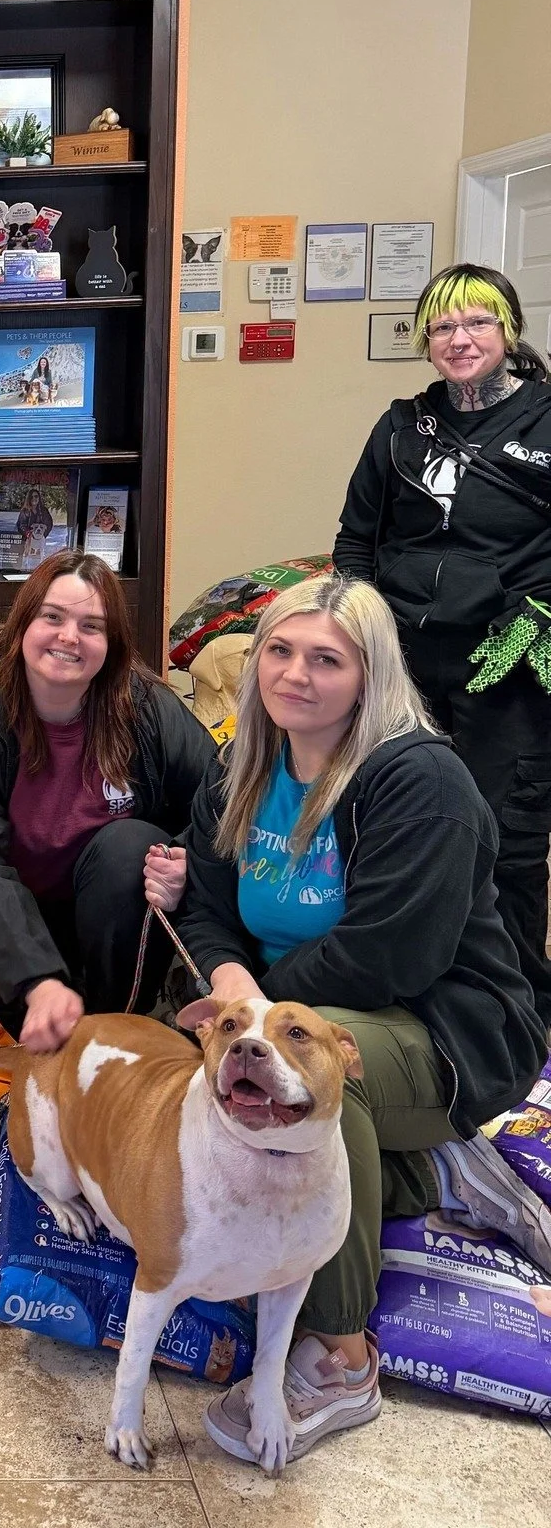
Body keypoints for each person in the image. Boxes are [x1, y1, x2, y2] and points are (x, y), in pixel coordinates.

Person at [171, 574, 549, 1464]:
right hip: (303, 1004)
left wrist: (260, 1020)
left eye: (326, 659)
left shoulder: (422, 781)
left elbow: (392, 954)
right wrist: (234, 995)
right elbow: (204, 905)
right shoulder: (243, 765)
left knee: (306, 1088)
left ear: (371, 674)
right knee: (213, 1067)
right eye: (280, 650)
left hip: (447, 1025)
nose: (296, 674)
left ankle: (342, 1358)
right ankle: (428, 1176)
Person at [0, 551, 216, 1048]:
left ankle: (109, 1026)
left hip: (108, 918)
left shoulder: (146, 706)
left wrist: (186, 861)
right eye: (53, 617)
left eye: (91, 626)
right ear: (24, 623)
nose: (69, 637)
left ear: (111, 644)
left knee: (129, 846)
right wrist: (36, 978)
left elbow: (221, 803)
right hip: (15, 906)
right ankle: (52, 1014)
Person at [333, 263, 551, 1028]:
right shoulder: (401, 427)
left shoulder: (546, 420)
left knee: (506, 842)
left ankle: (514, 1012)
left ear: (508, 330)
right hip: (404, 665)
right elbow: (357, 540)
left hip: (512, 664)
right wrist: (357, 628)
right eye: (444, 326)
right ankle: (397, 988)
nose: (460, 339)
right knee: (391, 825)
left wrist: (538, 618)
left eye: (478, 323)